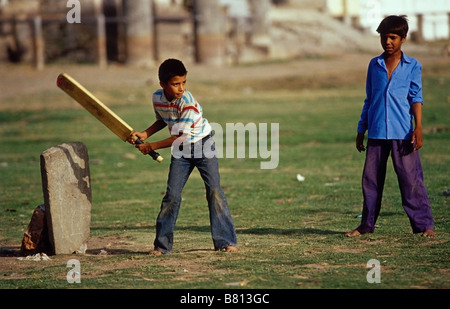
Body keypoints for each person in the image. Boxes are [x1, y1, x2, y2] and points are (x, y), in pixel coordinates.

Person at [128, 58, 238, 254]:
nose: (181, 88)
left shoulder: (186, 102)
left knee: (214, 191)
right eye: (175, 84)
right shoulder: (157, 97)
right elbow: (164, 119)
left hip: (203, 145)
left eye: (184, 82)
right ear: (162, 84)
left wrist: (152, 146)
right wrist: (146, 134)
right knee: (172, 196)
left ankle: (226, 241)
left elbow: (180, 135)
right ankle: (162, 246)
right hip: (182, 152)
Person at [345, 15, 436, 238]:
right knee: (371, 181)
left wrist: (418, 127)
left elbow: (416, 98)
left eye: (393, 37)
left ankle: (424, 226)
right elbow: (369, 99)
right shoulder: (373, 65)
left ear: (403, 39)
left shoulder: (412, 66)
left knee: (411, 181)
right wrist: (361, 129)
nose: (388, 42)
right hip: (376, 132)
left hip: (403, 132)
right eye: (384, 37)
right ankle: (366, 225)